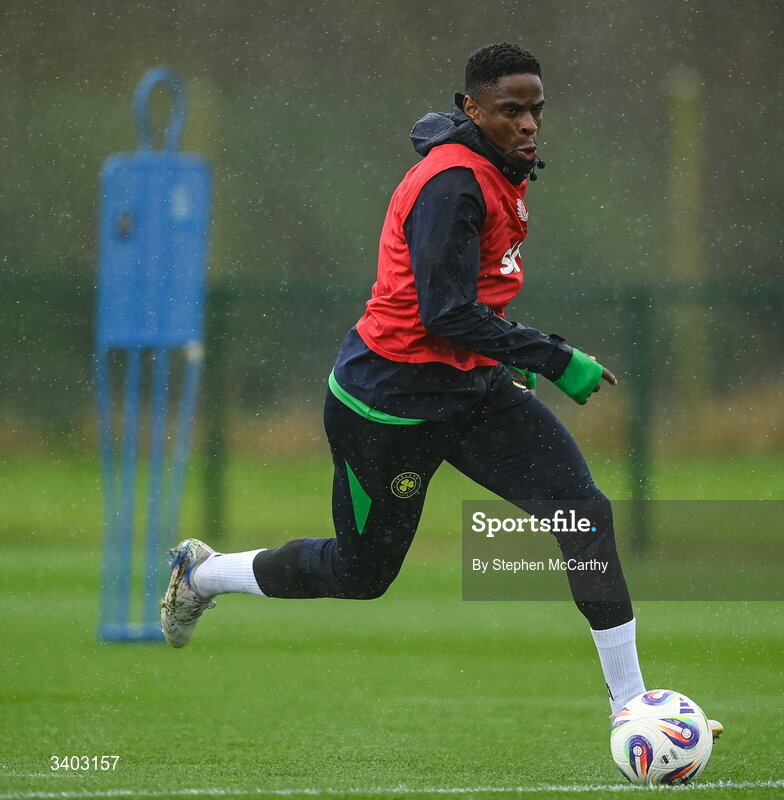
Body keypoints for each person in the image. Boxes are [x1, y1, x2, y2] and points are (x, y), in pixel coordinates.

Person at [160, 42, 721, 733]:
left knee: (583, 514)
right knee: (361, 575)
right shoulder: (452, 183)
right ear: (471, 109)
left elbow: (474, 299)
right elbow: (444, 311)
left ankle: (631, 706)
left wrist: (507, 355)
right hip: (386, 408)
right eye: (511, 111)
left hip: (472, 393)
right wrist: (551, 356)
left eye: (535, 110)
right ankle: (202, 576)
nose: (528, 124)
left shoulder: (498, 170)